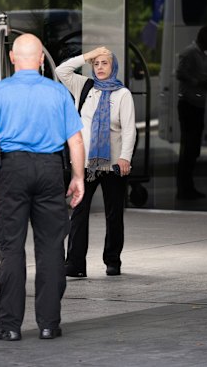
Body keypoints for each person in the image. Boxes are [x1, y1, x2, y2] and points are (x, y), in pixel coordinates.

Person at [0, 33, 85, 341]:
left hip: (12, 170)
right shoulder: (58, 93)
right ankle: (49, 324)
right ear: (40, 60)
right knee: (51, 248)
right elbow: (75, 139)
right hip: (50, 169)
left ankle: (9, 326)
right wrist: (77, 178)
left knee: (11, 248)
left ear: (11, 58)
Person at [55, 47, 136, 277]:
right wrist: (86, 56)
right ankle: (75, 264)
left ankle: (113, 261)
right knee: (79, 212)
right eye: (96, 63)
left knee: (114, 214)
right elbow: (62, 71)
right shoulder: (85, 86)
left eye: (105, 63)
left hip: (113, 164)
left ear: (113, 67)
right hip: (85, 164)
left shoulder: (123, 94)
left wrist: (125, 158)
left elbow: (129, 130)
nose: (100, 68)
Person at [176, 26, 207, 199]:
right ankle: (184, 188)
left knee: (192, 147)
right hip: (189, 104)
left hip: (197, 104)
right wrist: (200, 83)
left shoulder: (202, 56)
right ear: (204, 39)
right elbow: (180, 73)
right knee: (189, 147)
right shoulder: (190, 53)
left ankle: (187, 187)